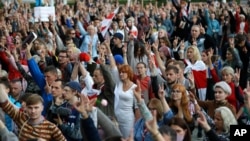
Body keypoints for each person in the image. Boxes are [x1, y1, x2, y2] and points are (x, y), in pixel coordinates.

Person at [0, 85, 66, 141]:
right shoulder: (21, 117)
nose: (33, 111)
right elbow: (5, 104)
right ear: (26, 108)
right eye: (30, 108)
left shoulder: (51, 127)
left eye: (36, 107)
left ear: (42, 108)